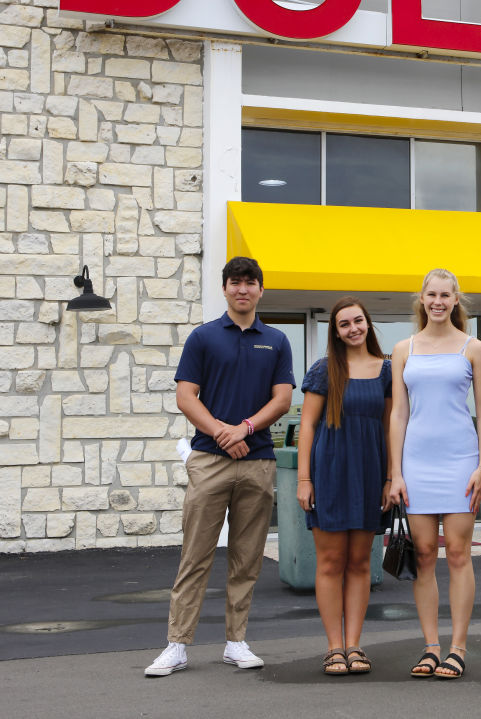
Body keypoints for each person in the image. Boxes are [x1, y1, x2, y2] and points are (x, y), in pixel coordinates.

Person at [145, 257, 294, 677]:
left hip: (258, 461)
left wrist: (244, 429)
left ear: (260, 290)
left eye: (250, 283)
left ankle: (236, 642)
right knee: (196, 556)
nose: (243, 289)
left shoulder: (277, 340)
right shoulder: (204, 337)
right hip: (210, 460)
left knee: (247, 559)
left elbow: (282, 399)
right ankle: (177, 645)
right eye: (235, 283)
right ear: (224, 288)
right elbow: (186, 396)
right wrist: (224, 433)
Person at [387, 269, 481, 681]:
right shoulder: (403, 348)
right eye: (431, 294)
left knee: (461, 555)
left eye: (445, 295)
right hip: (416, 463)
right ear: (422, 299)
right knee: (426, 555)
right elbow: (398, 413)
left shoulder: (474, 348)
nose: (438, 301)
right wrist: (395, 472)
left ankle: (458, 648)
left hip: (461, 461)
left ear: (455, 300)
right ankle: (431, 646)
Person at [296, 297, 391, 675]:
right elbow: (306, 427)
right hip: (331, 471)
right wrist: (304, 479)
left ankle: (355, 645)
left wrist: (389, 477)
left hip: (370, 472)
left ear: (368, 324)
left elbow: (389, 426)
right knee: (331, 561)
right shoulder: (324, 370)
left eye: (358, 321)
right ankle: (333, 647)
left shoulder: (387, 371)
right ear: (335, 332)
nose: (353, 328)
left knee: (359, 562)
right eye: (344, 324)